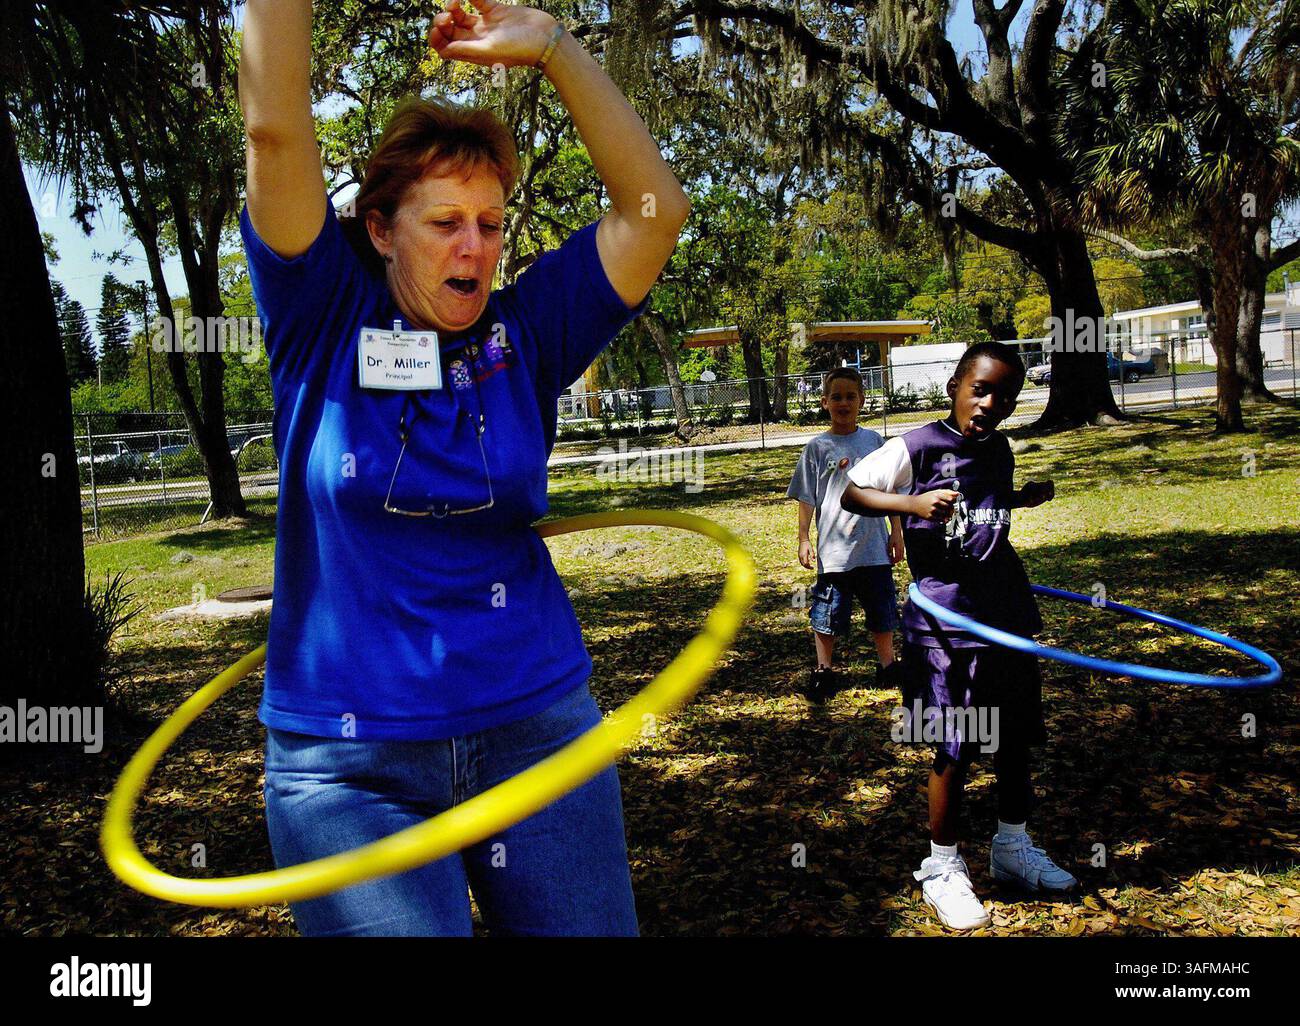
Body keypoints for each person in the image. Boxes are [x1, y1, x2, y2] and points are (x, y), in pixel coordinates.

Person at [238, 0, 689, 935]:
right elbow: (274, 130)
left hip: (536, 726)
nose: (475, 246)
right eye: (445, 220)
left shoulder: (529, 332)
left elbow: (657, 211)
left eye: (490, 221)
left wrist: (557, 48)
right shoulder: (319, 317)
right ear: (379, 230)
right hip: (348, 766)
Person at [840, 342, 1076, 931]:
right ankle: (942, 865)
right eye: (981, 389)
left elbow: (984, 504)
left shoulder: (999, 448)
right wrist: (912, 503)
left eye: (1006, 396)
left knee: (1016, 738)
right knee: (954, 745)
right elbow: (852, 493)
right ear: (955, 386)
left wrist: (1022, 497)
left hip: (1007, 616)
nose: (992, 404)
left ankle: (1012, 847)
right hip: (947, 623)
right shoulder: (915, 446)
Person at [786, 368, 904, 703]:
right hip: (835, 554)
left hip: (874, 550)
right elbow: (807, 497)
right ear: (824, 402)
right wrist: (804, 538)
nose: (843, 402)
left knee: (883, 610)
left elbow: (889, 490)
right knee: (827, 614)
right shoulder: (817, 447)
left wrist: (896, 531)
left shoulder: (874, 442)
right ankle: (824, 671)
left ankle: (888, 665)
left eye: (850, 396)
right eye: (836, 396)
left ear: (862, 400)